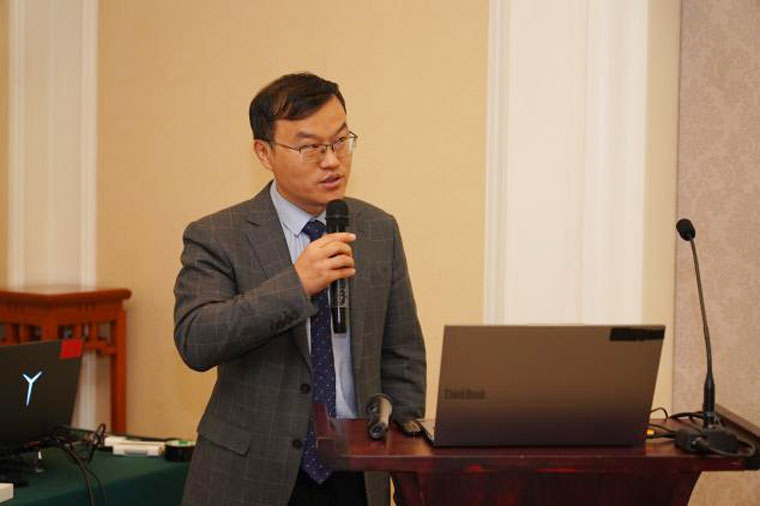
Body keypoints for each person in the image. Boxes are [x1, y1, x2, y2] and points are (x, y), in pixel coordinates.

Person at [173, 72, 426, 506]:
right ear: (264, 153)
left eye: (341, 141)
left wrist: (402, 458)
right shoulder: (218, 235)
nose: (332, 161)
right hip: (250, 474)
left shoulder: (378, 229)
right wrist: (295, 284)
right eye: (310, 148)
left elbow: (402, 354)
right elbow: (197, 339)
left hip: (356, 469)